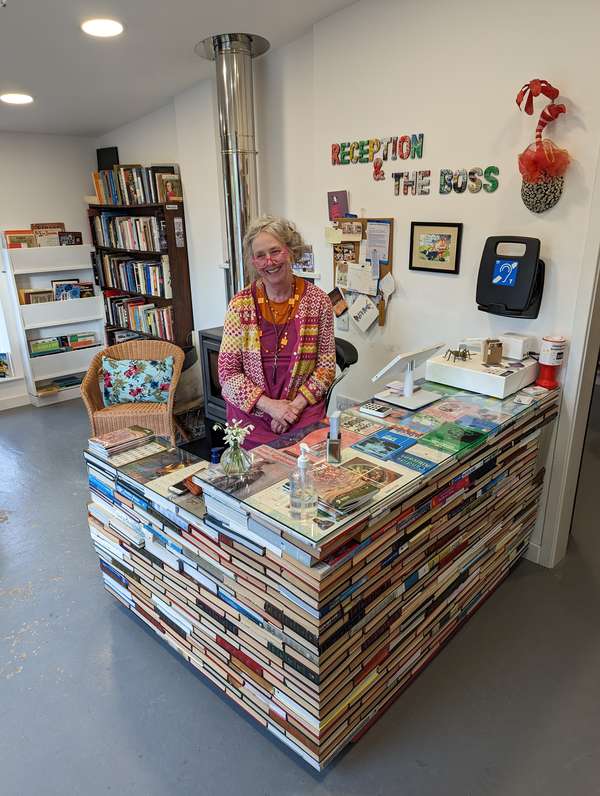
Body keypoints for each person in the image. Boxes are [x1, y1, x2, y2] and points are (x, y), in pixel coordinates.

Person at [218, 215, 336, 449]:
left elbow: (326, 367)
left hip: (302, 415)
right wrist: (271, 407)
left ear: (290, 251)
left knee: (306, 480)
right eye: (260, 256)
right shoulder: (240, 304)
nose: (269, 261)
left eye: (275, 251)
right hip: (251, 418)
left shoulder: (318, 301)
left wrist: (293, 408)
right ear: (253, 261)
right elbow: (227, 373)